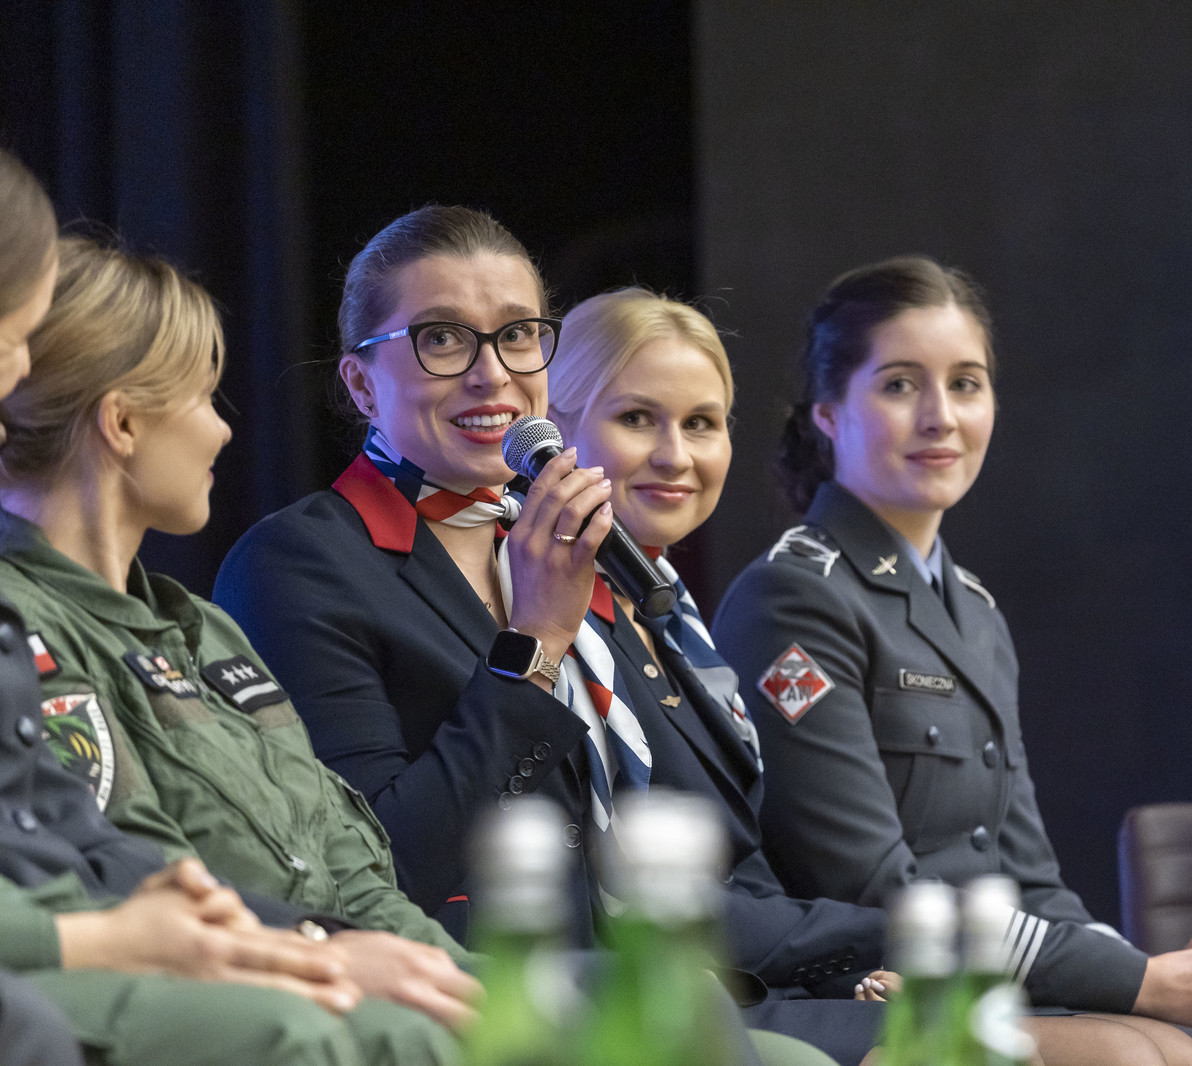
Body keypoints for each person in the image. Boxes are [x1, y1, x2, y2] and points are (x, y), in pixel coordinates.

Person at [214, 206, 847, 1066]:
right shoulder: (299, 563)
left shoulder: (552, 542)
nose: (493, 375)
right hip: (468, 992)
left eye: (518, 336)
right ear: (361, 385)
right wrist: (537, 638)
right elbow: (383, 864)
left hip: (649, 983)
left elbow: (702, 844)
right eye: (442, 339)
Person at [711, 256, 1192, 1066]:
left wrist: (1144, 968)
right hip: (883, 994)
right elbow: (873, 889)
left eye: (966, 384)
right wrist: (1140, 982)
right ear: (828, 414)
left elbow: (1030, 876)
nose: (941, 417)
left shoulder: (973, 610)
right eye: (900, 385)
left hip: (1005, 982)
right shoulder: (793, 596)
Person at [0, 150, 445, 1066]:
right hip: (202, 974)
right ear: (123, 422)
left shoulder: (206, 630)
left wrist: (438, 968)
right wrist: (321, 947)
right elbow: (131, 860)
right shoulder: (29, 622)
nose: (226, 428)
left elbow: (346, 853)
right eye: (206, 397)